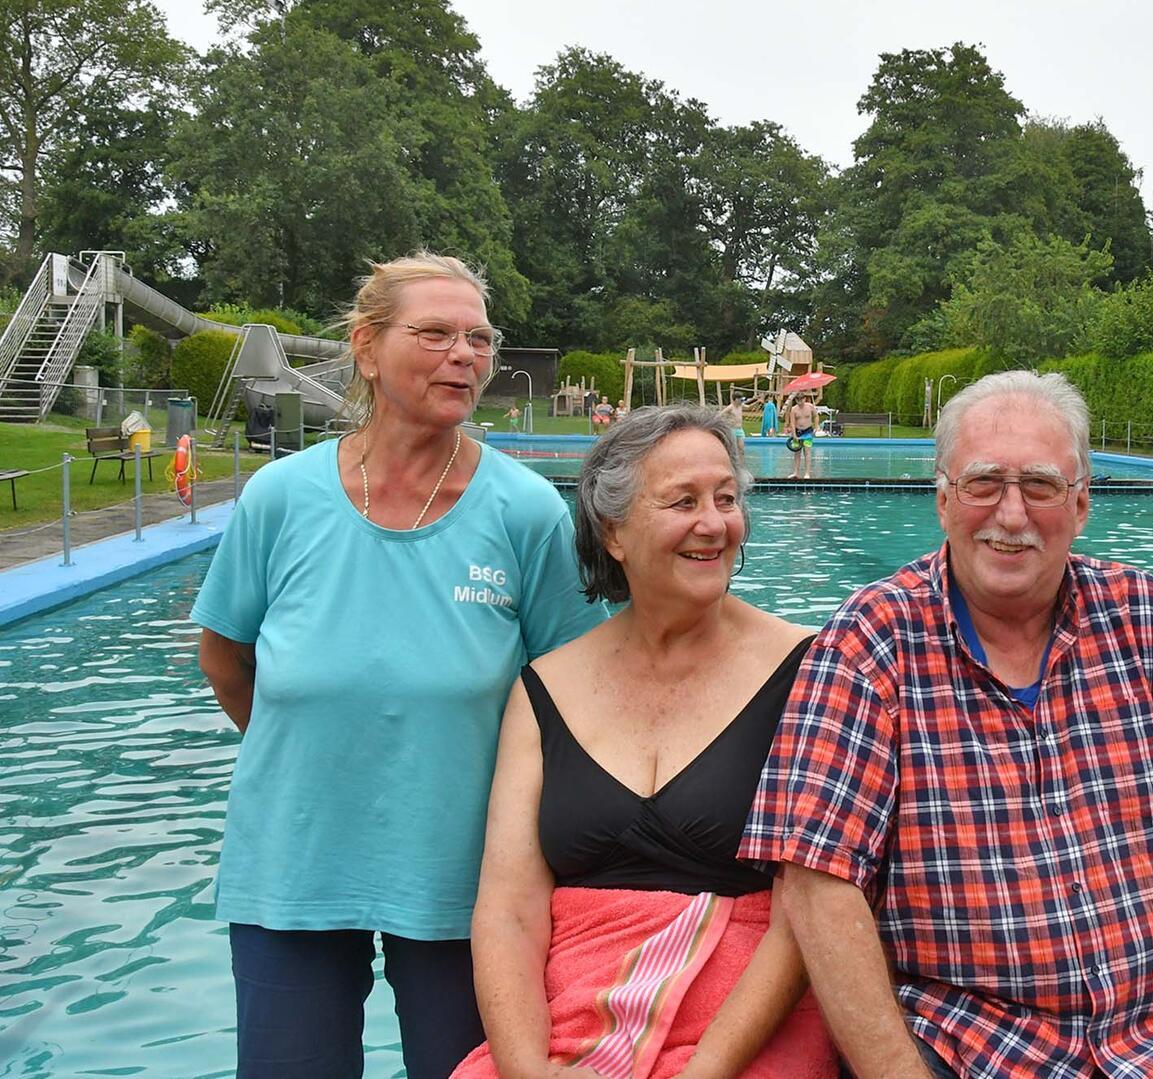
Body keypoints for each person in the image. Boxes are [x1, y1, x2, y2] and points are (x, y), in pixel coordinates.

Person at [740, 371, 1153, 1079]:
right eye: (982, 484)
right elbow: (819, 885)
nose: (1010, 514)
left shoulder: (1146, 622)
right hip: (967, 1047)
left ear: (1083, 502)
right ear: (942, 500)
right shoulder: (869, 641)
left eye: (1039, 485)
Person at [193, 252, 607, 1078]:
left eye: (479, 338)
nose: (466, 355)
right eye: (436, 334)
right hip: (294, 864)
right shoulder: (280, 497)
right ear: (367, 347)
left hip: (469, 882)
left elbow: (576, 690)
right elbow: (225, 655)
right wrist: (320, 749)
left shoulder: (524, 511)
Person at [454, 405, 835, 1079]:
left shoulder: (809, 670)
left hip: (747, 1031)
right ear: (614, 531)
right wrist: (526, 1069)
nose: (714, 523)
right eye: (682, 501)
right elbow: (510, 907)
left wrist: (704, 1071)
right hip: (574, 1021)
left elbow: (808, 906)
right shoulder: (545, 690)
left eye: (726, 498)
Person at [784, 393, 817, 479]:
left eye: (801, 400)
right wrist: (794, 434)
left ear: (804, 399)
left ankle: (807, 473)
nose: (800, 402)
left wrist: (816, 427)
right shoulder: (794, 409)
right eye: (798, 400)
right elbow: (792, 422)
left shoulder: (810, 407)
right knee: (797, 453)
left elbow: (816, 416)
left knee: (807, 451)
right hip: (798, 432)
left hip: (808, 432)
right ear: (796, 400)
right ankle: (796, 472)